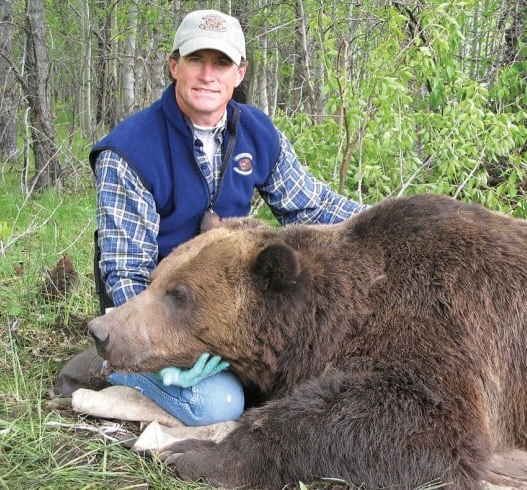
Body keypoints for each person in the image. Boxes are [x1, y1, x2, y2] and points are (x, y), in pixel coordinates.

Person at [55, 9, 367, 426]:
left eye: (220, 62)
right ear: (174, 65)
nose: (207, 75)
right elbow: (125, 273)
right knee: (218, 405)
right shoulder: (129, 151)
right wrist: (148, 350)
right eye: (195, 60)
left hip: (224, 312)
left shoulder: (257, 133)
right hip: (157, 311)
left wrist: (385, 227)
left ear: (239, 73)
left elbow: (315, 205)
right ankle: (102, 364)